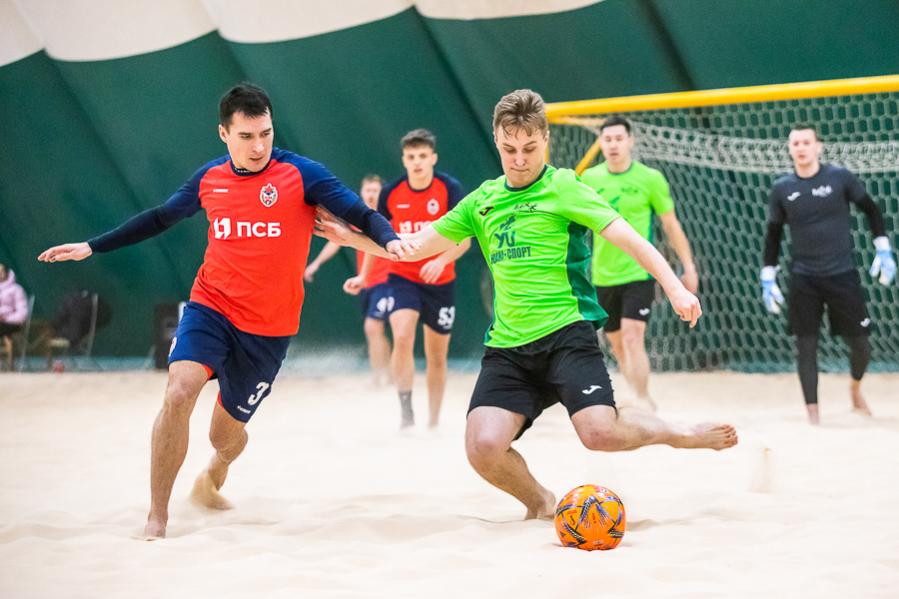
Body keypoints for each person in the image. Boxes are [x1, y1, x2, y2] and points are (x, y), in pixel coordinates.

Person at [316, 89, 738, 519]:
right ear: (496, 141)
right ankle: (540, 503)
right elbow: (412, 247)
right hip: (509, 349)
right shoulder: (482, 200)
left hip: (566, 335)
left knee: (599, 434)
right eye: (509, 149)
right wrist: (352, 238)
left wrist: (675, 287)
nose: (519, 160)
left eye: (530, 149)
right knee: (482, 447)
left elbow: (629, 239)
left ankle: (678, 431)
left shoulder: (564, 187)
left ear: (546, 140)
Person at [38, 83, 408, 538]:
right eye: (246, 136)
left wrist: (390, 240)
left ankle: (216, 469)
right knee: (179, 391)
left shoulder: (303, 174)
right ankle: (157, 517)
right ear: (224, 134)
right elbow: (160, 217)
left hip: (268, 330)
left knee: (224, 437)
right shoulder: (209, 179)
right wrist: (92, 246)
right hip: (211, 307)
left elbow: (361, 214)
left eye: (266, 134)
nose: (258, 147)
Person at [761, 123, 895, 425]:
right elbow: (773, 234)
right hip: (803, 278)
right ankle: (813, 416)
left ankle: (855, 388)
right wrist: (768, 274)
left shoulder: (839, 178)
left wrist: (883, 247)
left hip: (842, 275)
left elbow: (871, 210)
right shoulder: (782, 188)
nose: (801, 148)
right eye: (795, 143)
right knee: (805, 346)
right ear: (789, 149)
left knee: (861, 344)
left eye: (806, 142)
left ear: (818, 146)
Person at [347, 129, 470, 429]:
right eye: (411, 156)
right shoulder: (391, 193)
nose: (417, 162)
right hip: (402, 275)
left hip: (441, 281)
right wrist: (363, 276)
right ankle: (406, 413)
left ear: (433, 158)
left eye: (422, 156)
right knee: (402, 335)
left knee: (436, 356)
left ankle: (433, 422)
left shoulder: (449, 189)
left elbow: (465, 240)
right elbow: (377, 239)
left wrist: (440, 260)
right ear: (404, 159)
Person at [580, 116, 698, 410]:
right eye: (607, 139)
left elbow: (671, 225)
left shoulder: (650, 178)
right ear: (601, 143)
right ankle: (638, 396)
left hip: (639, 272)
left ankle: (643, 401)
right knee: (617, 344)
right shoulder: (589, 179)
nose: (613, 145)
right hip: (603, 275)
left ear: (630, 141)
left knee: (633, 337)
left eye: (619, 139)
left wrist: (689, 266)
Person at [305, 174, 394, 385]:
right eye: (368, 190)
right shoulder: (359, 217)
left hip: (387, 281)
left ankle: (379, 378)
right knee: (375, 331)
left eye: (375, 190)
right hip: (366, 283)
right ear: (361, 192)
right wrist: (316, 264)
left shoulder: (385, 217)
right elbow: (338, 241)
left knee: (373, 327)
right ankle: (386, 374)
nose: (371, 194)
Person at [0, 263, 28, 338]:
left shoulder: (16, 289)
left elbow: (22, 313)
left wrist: (6, 319)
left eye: (2, 271)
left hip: (11, 323)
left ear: (7, 272)